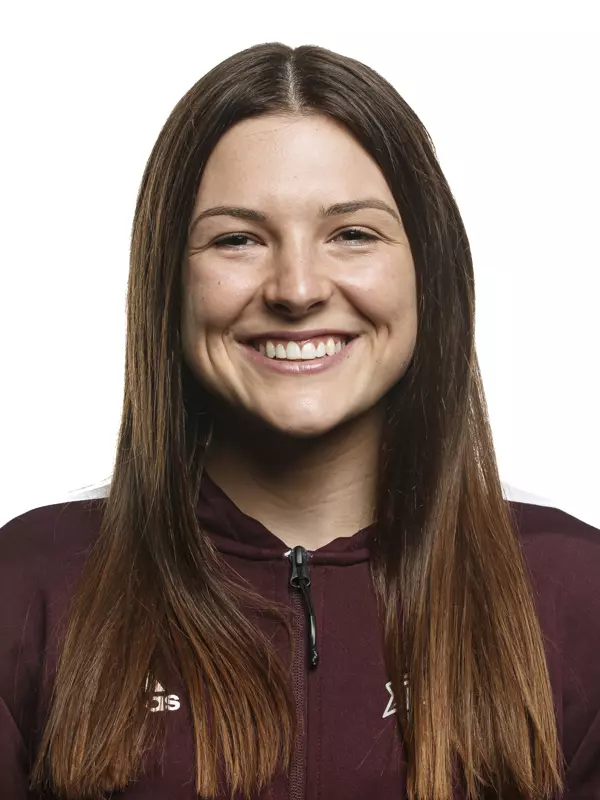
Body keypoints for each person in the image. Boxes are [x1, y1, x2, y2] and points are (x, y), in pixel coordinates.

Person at [1, 41, 599, 800]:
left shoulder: (577, 595)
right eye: (237, 239)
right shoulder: (26, 587)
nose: (297, 287)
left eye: (352, 233)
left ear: (428, 270)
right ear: (168, 283)